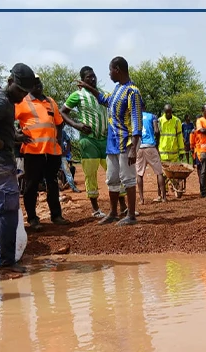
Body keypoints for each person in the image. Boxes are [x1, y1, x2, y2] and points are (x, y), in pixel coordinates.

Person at [0, 63, 38, 274]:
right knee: (8, 211)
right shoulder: (2, 100)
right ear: (9, 81)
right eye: (19, 90)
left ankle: (3, 261)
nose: (22, 95)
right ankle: (7, 263)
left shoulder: (6, 101)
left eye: (25, 92)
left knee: (0, 212)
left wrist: (14, 137)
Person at [77, 56, 144, 226]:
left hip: (125, 142)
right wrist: (88, 88)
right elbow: (104, 100)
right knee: (112, 178)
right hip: (112, 143)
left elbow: (137, 121)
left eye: (110, 70)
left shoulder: (132, 91)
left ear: (118, 69)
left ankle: (131, 215)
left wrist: (134, 148)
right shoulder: (116, 89)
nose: (108, 74)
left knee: (128, 178)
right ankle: (114, 212)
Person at [17, 78, 82, 230]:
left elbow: (59, 123)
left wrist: (58, 141)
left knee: (52, 183)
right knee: (31, 184)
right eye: (33, 83)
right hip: (33, 151)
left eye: (39, 83)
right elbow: (8, 120)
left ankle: (56, 215)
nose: (37, 86)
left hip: (52, 151)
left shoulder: (51, 101)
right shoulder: (21, 102)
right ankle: (33, 219)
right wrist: (16, 135)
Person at [62, 65, 110, 218]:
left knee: (115, 172)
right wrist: (77, 125)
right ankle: (96, 209)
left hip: (106, 140)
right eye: (88, 77)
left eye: (94, 76)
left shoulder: (100, 95)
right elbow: (62, 112)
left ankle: (122, 206)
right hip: (89, 141)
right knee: (90, 175)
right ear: (82, 80)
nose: (92, 79)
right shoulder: (77, 95)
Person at [137, 110, 167, 204]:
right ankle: (164, 198)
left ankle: (141, 199)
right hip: (150, 146)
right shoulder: (152, 116)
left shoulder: (134, 118)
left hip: (140, 147)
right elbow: (157, 131)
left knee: (139, 174)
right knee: (159, 172)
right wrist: (157, 143)